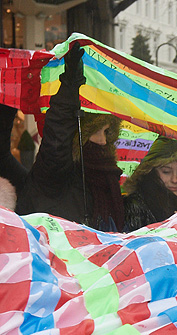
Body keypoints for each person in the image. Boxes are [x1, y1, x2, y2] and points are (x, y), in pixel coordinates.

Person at [5, 47, 125, 231]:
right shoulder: (55, 173)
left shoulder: (107, 178)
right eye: (94, 132)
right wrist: (70, 85)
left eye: (107, 132)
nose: (102, 141)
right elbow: (57, 140)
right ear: (76, 134)